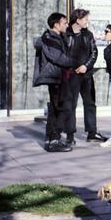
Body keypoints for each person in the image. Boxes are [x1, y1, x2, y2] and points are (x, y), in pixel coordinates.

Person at [33, 13, 76, 152]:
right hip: (56, 76)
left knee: (56, 108)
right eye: (64, 23)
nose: (67, 25)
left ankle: (51, 139)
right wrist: (75, 63)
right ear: (56, 24)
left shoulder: (57, 37)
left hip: (59, 76)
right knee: (63, 107)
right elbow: (58, 58)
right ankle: (54, 140)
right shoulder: (50, 38)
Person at [65, 9, 107, 144]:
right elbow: (61, 55)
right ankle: (70, 136)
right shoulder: (65, 34)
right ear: (78, 20)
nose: (87, 22)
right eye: (85, 19)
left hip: (86, 75)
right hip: (71, 75)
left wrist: (86, 66)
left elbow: (94, 53)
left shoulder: (88, 35)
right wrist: (71, 67)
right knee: (70, 105)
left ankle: (92, 133)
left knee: (90, 103)